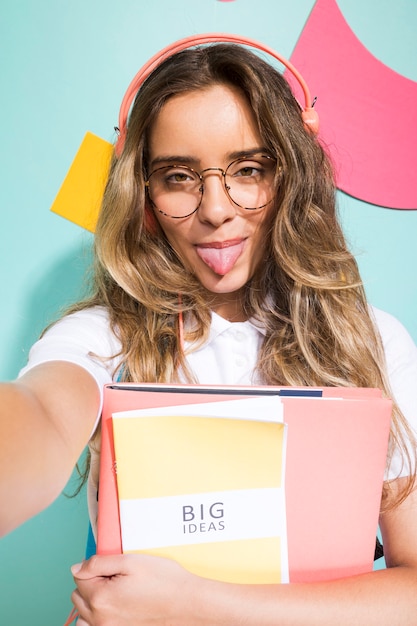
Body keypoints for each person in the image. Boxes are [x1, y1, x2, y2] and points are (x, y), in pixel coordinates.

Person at [1, 39, 417, 625]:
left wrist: (194, 605)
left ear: (292, 178)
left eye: (249, 170)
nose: (216, 209)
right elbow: (43, 411)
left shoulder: (369, 342)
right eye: (178, 176)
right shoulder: (104, 337)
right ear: (143, 196)